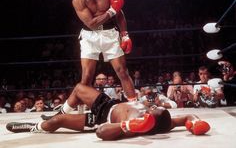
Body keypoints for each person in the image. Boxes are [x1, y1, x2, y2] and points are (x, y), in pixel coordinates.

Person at [6, 83, 210, 140]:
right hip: (110, 102)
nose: (152, 106)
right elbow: (186, 117)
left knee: (57, 122)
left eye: (152, 111)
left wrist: (129, 125)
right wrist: (195, 123)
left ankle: (35, 127)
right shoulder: (165, 118)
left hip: (100, 118)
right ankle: (56, 111)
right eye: (154, 107)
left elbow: (101, 132)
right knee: (79, 88)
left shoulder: (138, 126)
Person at [72, 0, 135, 100]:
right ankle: (84, 110)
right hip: (89, 36)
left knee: (122, 71)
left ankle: (134, 105)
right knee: (87, 76)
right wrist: (111, 11)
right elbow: (92, 24)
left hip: (110, 33)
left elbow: (119, 14)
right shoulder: (78, 0)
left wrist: (125, 34)